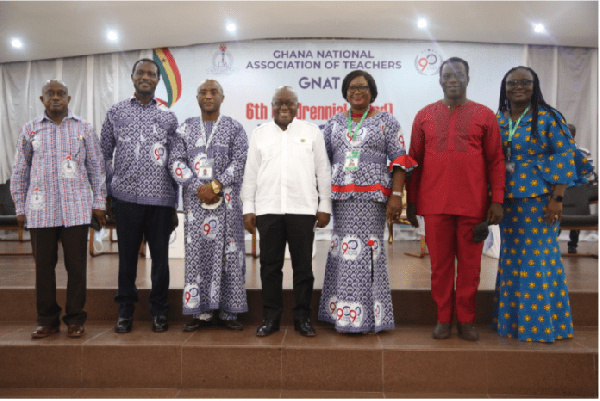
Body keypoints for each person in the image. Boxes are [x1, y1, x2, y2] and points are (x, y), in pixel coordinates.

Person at [406, 57, 506, 341]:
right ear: (439, 79)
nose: (453, 79)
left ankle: (465, 320)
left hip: (473, 207)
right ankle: (442, 318)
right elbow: (414, 161)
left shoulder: (485, 115)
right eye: (447, 75)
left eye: (458, 74)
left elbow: (496, 161)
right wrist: (412, 202)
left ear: (468, 78)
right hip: (435, 206)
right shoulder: (424, 115)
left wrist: (496, 200)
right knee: (440, 267)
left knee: (471, 268)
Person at [493, 66, 593, 342]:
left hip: (541, 200)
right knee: (512, 259)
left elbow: (565, 155)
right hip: (509, 201)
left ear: (535, 86)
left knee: (538, 259)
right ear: (505, 87)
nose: (519, 87)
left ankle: (544, 325)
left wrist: (558, 199)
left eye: (525, 82)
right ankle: (513, 324)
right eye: (513, 82)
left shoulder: (549, 117)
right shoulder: (499, 118)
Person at [317, 70, 416, 334]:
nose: (357, 92)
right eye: (351, 88)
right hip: (341, 197)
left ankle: (368, 317)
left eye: (362, 87)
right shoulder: (335, 123)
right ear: (345, 93)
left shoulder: (387, 121)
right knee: (343, 250)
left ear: (372, 91)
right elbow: (321, 161)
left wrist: (396, 196)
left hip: (372, 198)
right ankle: (341, 314)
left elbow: (399, 161)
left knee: (368, 253)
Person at [11, 80, 106, 338]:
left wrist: (99, 203)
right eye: (50, 94)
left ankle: (75, 319)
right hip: (40, 212)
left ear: (69, 98)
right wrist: (20, 206)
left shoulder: (84, 128)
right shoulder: (29, 130)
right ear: (42, 100)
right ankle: (47, 320)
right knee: (43, 269)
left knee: (76, 268)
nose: (55, 98)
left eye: (61, 94)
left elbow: (97, 168)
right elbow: (20, 171)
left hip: (76, 210)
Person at [242, 86, 331, 337]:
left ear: (298, 106)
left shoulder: (312, 132)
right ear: (271, 105)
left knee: (303, 268)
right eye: (279, 103)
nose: (284, 107)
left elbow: (323, 172)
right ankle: (270, 317)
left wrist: (324, 206)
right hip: (268, 209)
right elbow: (250, 175)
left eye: (289, 103)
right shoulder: (259, 134)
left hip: (303, 210)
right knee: (270, 267)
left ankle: (302, 318)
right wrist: (248, 208)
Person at [100, 59, 179, 333]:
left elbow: (175, 161)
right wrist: (109, 193)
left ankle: (159, 311)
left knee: (160, 260)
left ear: (158, 80)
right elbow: (102, 154)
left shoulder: (169, 116)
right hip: (126, 199)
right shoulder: (116, 112)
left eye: (151, 74)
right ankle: (125, 311)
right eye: (141, 72)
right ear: (132, 77)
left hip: (160, 200)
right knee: (127, 259)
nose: (146, 77)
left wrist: (173, 205)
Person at [169, 80, 248, 331]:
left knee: (229, 257)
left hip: (226, 204)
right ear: (196, 98)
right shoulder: (184, 129)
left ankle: (228, 313)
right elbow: (175, 162)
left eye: (214, 92)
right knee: (197, 257)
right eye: (203, 92)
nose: (208, 96)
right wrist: (197, 187)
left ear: (222, 98)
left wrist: (215, 186)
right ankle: (200, 313)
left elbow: (241, 161)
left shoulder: (235, 128)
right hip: (195, 205)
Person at [564, 124, 595, 254]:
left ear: (573, 135)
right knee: (562, 212)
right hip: (563, 189)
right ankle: (556, 241)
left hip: (578, 189)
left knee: (576, 211)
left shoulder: (584, 152)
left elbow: (589, 174)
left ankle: (573, 244)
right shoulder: (556, 152)